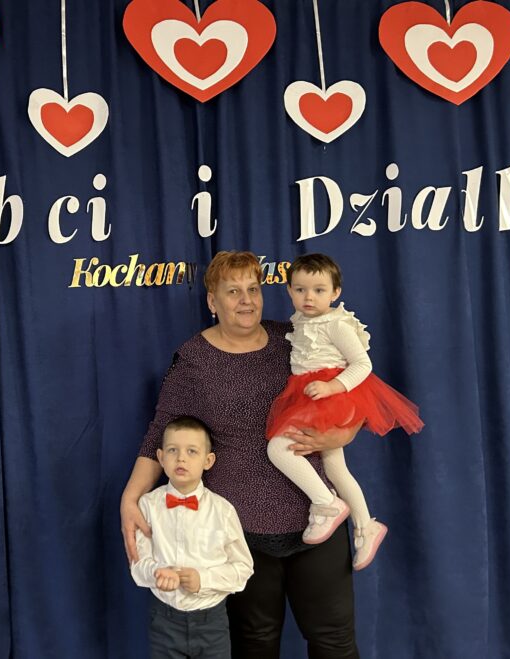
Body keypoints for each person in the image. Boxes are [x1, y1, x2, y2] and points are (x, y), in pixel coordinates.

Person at [121, 250, 361, 659]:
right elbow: (159, 433)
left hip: (318, 519)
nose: (246, 300)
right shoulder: (193, 360)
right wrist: (130, 497)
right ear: (212, 301)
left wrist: (343, 432)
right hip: (240, 533)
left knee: (334, 643)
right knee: (255, 645)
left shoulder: (297, 337)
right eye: (233, 291)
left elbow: (354, 391)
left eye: (254, 289)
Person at [265, 253, 423, 570]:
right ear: (289, 290)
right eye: (300, 289)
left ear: (335, 292)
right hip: (309, 394)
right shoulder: (300, 321)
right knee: (336, 468)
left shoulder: (336, 324)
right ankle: (366, 526)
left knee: (278, 449)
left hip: (331, 395)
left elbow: (363, 364)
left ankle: (326, 504)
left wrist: (333, 387)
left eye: (319, 290)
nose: (309, 297)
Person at [130, 416, 254, 659]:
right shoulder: (147, 506)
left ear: (208, 461)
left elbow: (243, 567)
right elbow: (137, 563)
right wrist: (157, 572)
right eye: (172, 450)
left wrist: (203, 579)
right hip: (164, 620)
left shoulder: (223, 510)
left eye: (192, 451)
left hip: (212, 622)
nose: (181, 458)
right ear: (160, 457)